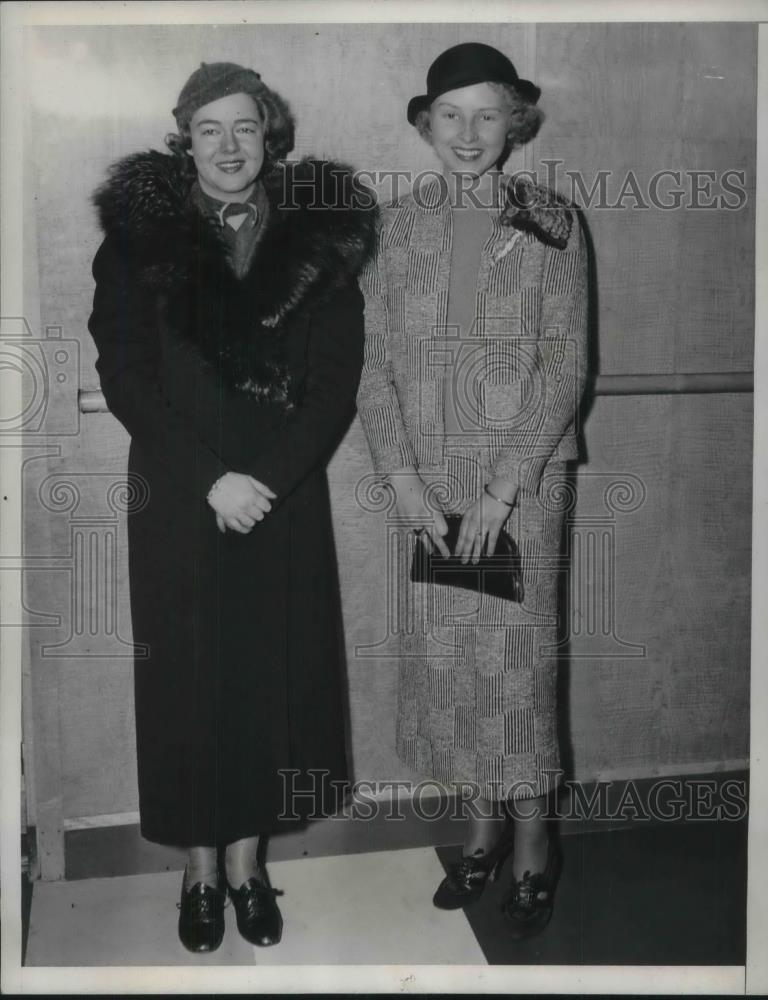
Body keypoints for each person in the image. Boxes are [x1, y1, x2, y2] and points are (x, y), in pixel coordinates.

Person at [88, 62, 376, 953]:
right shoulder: (140, 239)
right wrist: (212, 478)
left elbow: (335, 384)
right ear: (186, 139)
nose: (228, 146)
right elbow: (125, 376)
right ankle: (200, 872)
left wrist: (270, 480)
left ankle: (248, 865)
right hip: (181, 496)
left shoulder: (317, 238)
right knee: (189, 686)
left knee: (268, 684)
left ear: (270, 136)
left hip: (282, 501)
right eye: (209, 129)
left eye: (244, 128)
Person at [357, 42, 588, 938]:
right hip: (424, 481)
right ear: (426, 124)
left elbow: (567, 363)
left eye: (488, 114)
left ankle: (536, 842)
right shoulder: (388, 227)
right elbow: (371, 366)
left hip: (517, 486)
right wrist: (404, 481)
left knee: (518, 668)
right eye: (450, 114)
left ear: (516, 122)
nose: (468, 132)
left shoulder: (555, 221)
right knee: (452, 668)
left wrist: (501, 489)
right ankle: (483, 826)